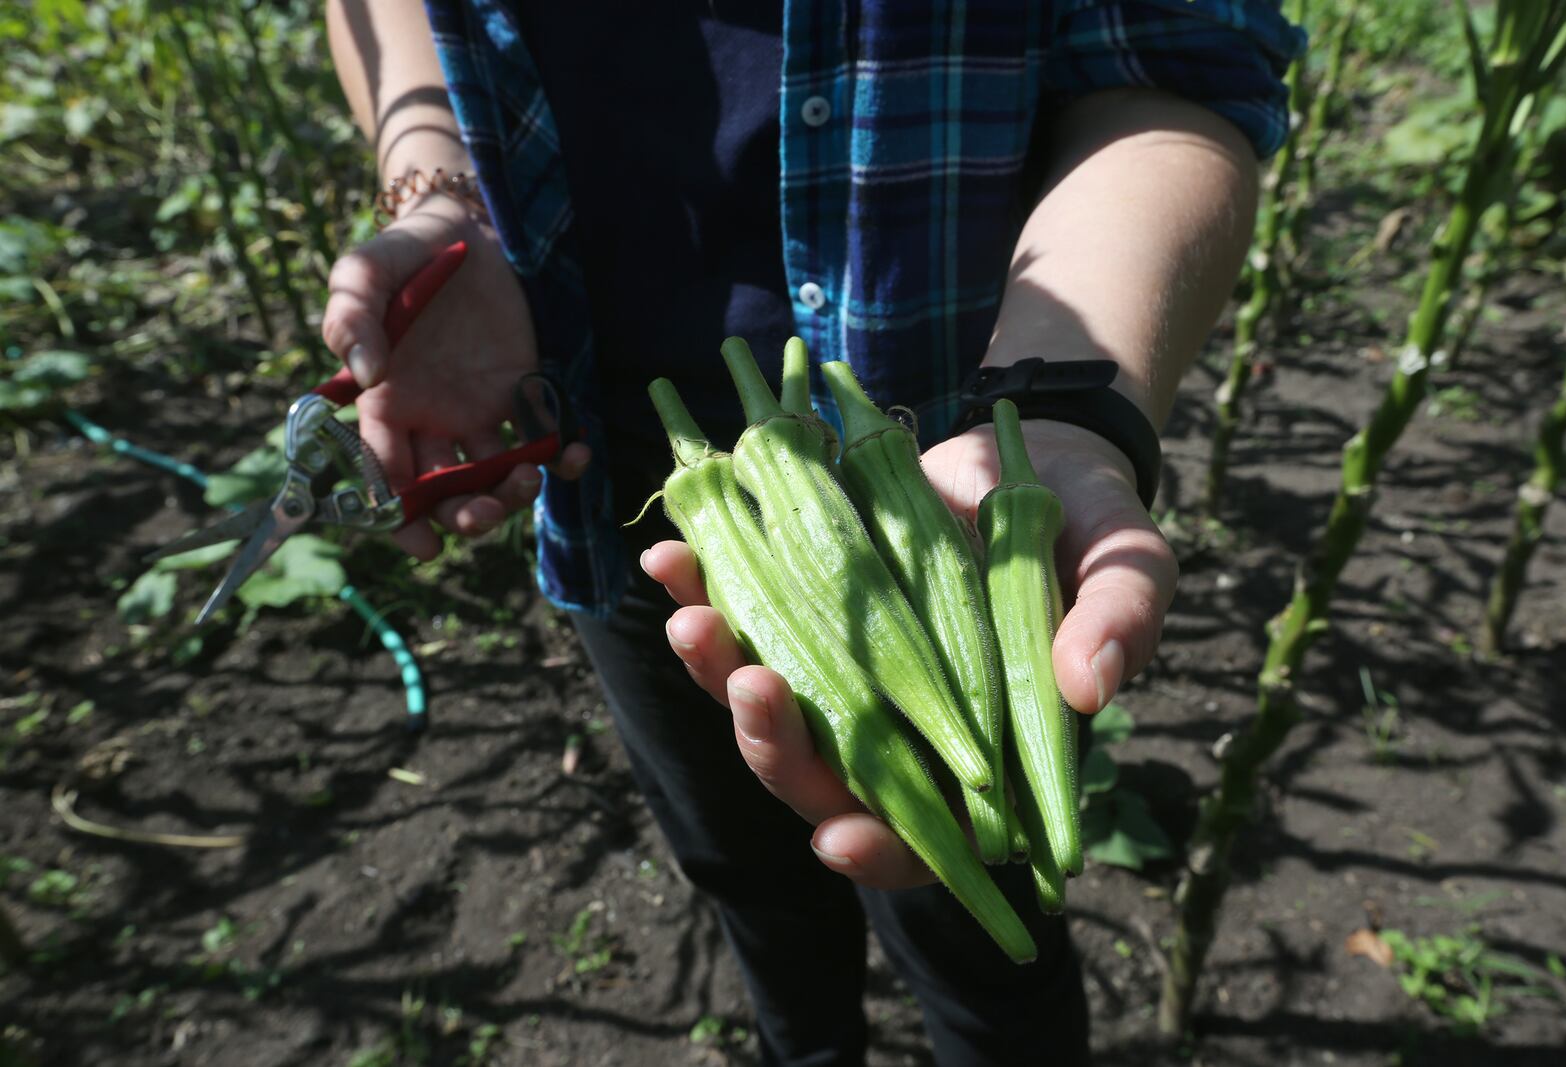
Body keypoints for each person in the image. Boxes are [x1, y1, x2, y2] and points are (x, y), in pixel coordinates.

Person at [323, 2, 1301, 1063]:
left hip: (951, 466)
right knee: (743, 871)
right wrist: (437, 190)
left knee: (976, 907)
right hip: (599, 444)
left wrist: (1065, 404)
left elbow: (1171, 72)